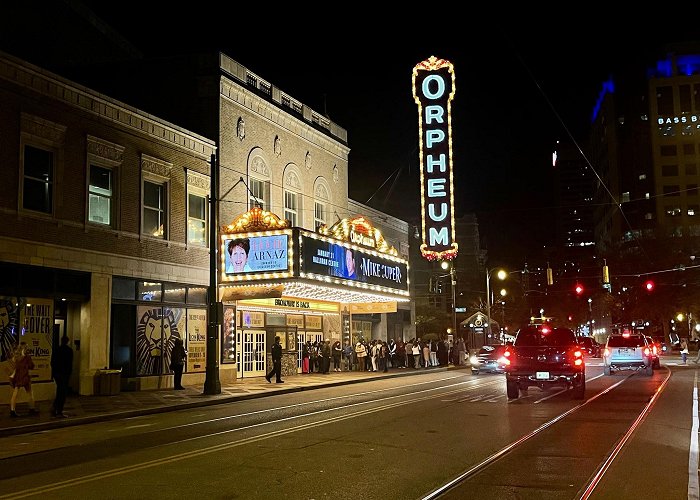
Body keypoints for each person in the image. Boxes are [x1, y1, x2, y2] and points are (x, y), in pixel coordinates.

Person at [9, 342, 37, 417]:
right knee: (30, 393)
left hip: (18, 377)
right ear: (25, 348)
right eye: (27, 347)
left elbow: (14, 365)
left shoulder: (16, 356)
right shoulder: (27, 357)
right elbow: (32, 366)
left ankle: (12, 410)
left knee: (15, 394)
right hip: (25, 377)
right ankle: (32, 409)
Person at [51, 335, 73, 417]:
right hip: (64, 374)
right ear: (67, 341)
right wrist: (69, 374)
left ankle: (55, 407)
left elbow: (52, 362)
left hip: (57, 374)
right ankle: (59, 410)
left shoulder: (56, 350)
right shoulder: (69, 351)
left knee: (59, 390)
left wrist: (55, 372)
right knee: (62, 393)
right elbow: (70, 364)